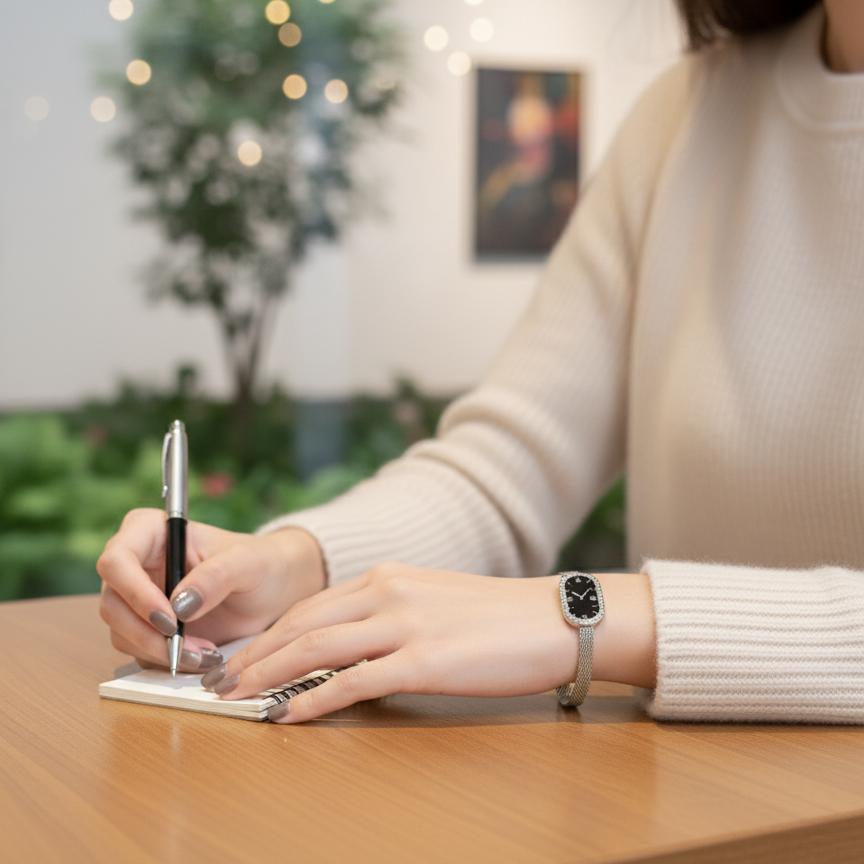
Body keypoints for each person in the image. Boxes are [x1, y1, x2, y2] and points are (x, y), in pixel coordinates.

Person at [98, 0, 864, 725]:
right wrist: (296, 567)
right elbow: (504, 473)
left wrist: (587, 617)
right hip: (689, 809)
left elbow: (572, 605)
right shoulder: (691, 112)